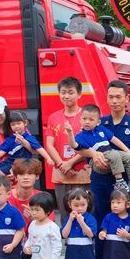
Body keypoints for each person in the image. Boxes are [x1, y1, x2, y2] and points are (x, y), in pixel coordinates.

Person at [89, 80, 130, 259]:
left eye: (118, 97)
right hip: (100, 180)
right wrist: (95, 156)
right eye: (111, 97)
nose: (114, 101)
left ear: (126, 98)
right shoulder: (99, 123)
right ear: (106, 98)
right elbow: (85, 149)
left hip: (124, 183)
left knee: (128, 220)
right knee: (101, 219)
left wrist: (115, 160)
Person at [66, 104, 130, 197]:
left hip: (110, 152)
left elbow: (114, 139)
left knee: (129, 157)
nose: (87, 122)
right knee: (114, 155)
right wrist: (70, 132)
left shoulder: (102, 130)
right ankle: (119, 182)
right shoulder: (80, 136)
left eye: (91, 120)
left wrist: (128, 151)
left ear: (98, 122)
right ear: (80, 120)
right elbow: (74, 145)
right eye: (84, 119)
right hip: (97, 159)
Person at [44, 76, 91, 220]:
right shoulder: (53, 117)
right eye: (63, 92)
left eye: (71, 92)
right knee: (65, 214)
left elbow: (91, 144)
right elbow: (49, 144)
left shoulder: (87, 116)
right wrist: (62, 164)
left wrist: (70, 163)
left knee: (85, 214)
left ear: (79, 94)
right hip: (61, 174)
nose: (66, 96)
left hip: (83, 173)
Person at [0, 111, 54, 176]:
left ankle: (4, 183)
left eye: (18, 123)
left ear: (25, 123)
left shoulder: (29, 137)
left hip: (22, 162)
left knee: (1, 173)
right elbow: (2, 152)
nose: (16, 126)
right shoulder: (10, 138)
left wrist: (48, 158)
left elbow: (39, 148)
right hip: (10, 161)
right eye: (13, 125)